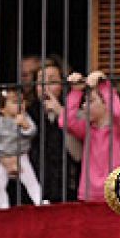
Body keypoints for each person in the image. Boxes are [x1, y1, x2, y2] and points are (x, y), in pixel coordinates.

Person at [61, 70, 120, 202]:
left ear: (106, 104)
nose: (84, 105)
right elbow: (65, 121)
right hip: (88, 196)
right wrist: (76, 91)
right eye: (84, 101)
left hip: (116, 194)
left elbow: (117, 113)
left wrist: (103, 85)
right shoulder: (88, 129)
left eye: (91, 101)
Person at [28, 57, 81, 204]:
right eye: (40, 81)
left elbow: (78, 154)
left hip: (68, 189)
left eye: (52, 81)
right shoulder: (28, 114)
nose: (45, 86)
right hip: (35, 192)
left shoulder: (75, 112)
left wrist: (61, 113)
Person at [0, 88, 42, 207]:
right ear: (2, 108)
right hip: (2, 157)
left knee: (30, 180)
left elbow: (32, 132)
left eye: (22, 101)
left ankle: (39, 201)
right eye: (15, 102)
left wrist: (25, 125)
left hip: (20, 155)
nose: (20, 105)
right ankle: (3, 206)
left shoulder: (25, 118)